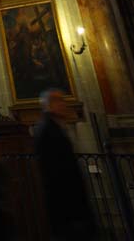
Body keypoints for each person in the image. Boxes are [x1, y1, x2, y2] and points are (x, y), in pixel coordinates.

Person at [34, 89, 98, 240]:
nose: (64, 104)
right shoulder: (46, 129)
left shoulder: (56, 127)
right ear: (49, 106)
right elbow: (53, 171)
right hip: (65, 202)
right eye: (59, 101)